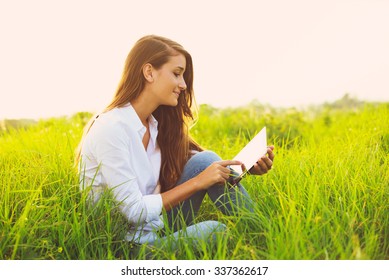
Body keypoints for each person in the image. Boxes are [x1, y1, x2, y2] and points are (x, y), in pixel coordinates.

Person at [76, 35, 274, 248]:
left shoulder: (153, 124)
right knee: (216, 231)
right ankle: (267, 244)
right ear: (149, 72)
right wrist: (198, 182)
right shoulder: (112, 129)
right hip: (124, 245)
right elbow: (133, 211)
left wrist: (243, 169)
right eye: (177, 74)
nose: (183, 84)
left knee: (205, 160)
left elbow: (201, 166)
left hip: (153, 227)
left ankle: (267, 238)